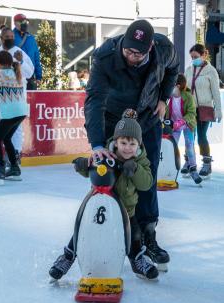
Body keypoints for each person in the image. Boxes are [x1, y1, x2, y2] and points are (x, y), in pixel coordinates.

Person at [84, 19, 180, 270]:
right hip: (114, 123)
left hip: (147, 119)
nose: (131, 56)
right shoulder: (105, 57)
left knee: (145, 176)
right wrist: (96, 145)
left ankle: (148, 236)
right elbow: (94, 100)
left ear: (149, 49)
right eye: (128, 50)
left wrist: (163, 97)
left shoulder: (164, 49)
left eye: (138, 53)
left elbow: (173, 69)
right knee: (107, 176)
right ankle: (108, 229)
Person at [49, 109, 159, 281]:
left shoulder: (140, 161)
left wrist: (135, 169)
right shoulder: (107, 156)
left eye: (132, 144)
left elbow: (147, 184)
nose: (127, 148)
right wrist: (83, 165)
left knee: (135, 235)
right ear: (116, 142)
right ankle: (68, 256)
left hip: (126, 211)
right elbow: (92, 168)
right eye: (123, 143)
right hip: (98, 205)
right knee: (81, 229)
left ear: (139, 145)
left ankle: (138, 259)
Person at [0, 26, 34, 165]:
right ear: (1, 38)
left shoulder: (18, 54)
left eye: (11, 37)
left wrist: (20, 62)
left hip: (11, 105)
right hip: (17, 106)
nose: (10, 39)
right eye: (7, 37)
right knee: (7, 136)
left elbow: (30, 72)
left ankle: (3, 165)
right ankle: (14, 166)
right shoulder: (12, 71)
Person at [0, 51, 28, 184]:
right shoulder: (15, 72)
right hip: (21, 112)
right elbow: (10, 89)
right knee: (6, 138)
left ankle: (0, 171)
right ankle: (14, 169)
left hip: (11, 113)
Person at [185, 44, 222, 178]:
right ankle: (189, 162)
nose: (194, 59)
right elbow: (184, 89)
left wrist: (218, 110)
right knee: (189, 137)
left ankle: (207, 164)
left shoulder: (211, 71)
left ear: (204, 55)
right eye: (192, 57)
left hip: (204, 108)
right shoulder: (189, 70)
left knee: (201, 136)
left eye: (196, 57)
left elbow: (216, 93)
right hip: (190, 109)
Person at [165, 73, 202, 184]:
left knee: (189, 146)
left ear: (178, 86)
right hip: (174, 125)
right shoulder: (169, 97)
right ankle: (171, 167)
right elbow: (166, 111)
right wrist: (166, 121)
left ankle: (193, 169)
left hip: (187, 125)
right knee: (172, 146)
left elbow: (192, 113)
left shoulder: (188, 96)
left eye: (172, 85)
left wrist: (182, 121)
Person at [13, 13, 42, 90]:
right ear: (15, 23)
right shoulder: (10, 37)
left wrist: (38, 76)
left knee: (32, 100)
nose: (25, 24)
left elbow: (36, 58)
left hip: (30, 77)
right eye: (22, 22)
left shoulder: (31, 38)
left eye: (26, 22)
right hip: (15, 77)